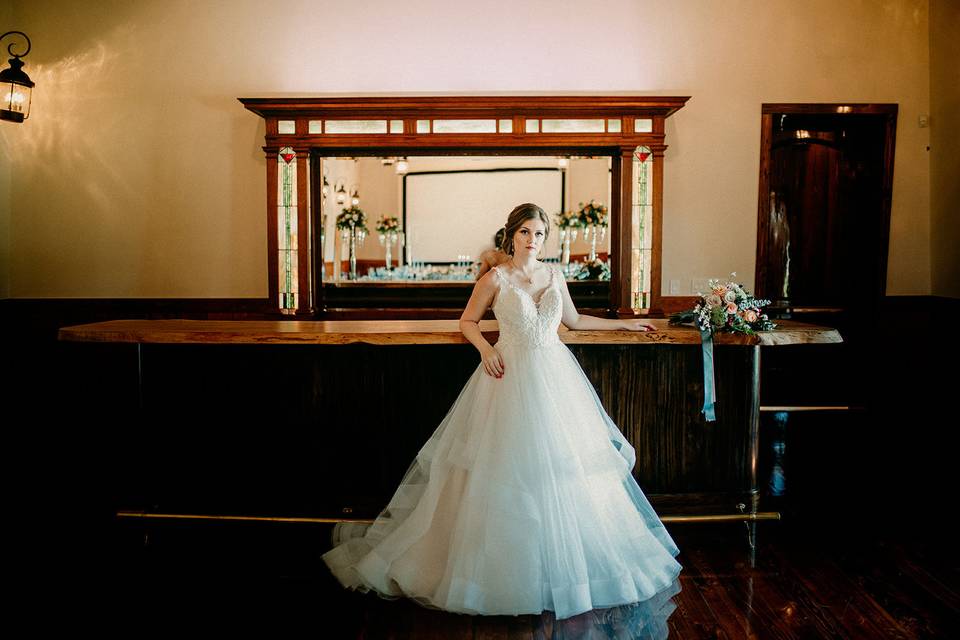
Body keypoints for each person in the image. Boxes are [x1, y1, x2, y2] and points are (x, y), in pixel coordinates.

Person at [322, 203, 683, 623]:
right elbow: (467, 321)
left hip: (554, 378)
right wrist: (487, 348)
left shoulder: (554, 275)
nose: (534, 240)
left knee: (563, 470)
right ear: (512, 234)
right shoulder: (495, 278)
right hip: (506, 377)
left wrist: (625, 325)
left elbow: (573, 320)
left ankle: (566, 571)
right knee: (503, 471)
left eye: (541, 234)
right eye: (527, 232)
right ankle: (501, 571)